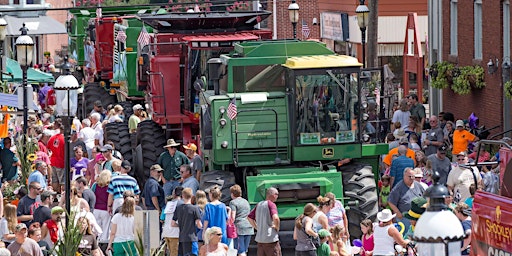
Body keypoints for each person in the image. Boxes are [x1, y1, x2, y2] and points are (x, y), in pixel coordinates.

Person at [248, 187, 281, 256]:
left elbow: (249, 217)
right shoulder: (271, 204)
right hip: (270, 239)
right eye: (277, 194)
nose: (277, 197)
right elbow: (276, 218)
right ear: (273, 195)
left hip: (260, 240)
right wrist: (276, 227)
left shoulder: (259, 204)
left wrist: (257, 228)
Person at [172, 188, 203, 256]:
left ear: (182, 196)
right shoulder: (195, 208)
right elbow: (199, 224)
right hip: (192, 238)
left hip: (182, 238)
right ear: (192, 196)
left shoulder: (178, 208)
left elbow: (173, 224)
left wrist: (180, 225)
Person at [229, 185, 254, 256]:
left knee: (240, 250)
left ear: (232, 194)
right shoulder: (246, 201)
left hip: (240, 228)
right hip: (249, 227)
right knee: (245, 250)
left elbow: (233, 217)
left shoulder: (233, 202)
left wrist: (229, 224)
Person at [91, 170, 112, 247]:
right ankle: (103, 245)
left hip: (96, 208)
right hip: (105, 209)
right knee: (105, 228)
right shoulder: (109, 186)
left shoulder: (95, 185)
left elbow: (92, 195)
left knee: (96, 227)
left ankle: (95, 243)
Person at [162, 186, 183, 256]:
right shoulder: (181, 204)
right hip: (175, 233)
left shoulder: (169, 203)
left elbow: (162, 218)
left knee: (171, 253)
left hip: (166, 232)